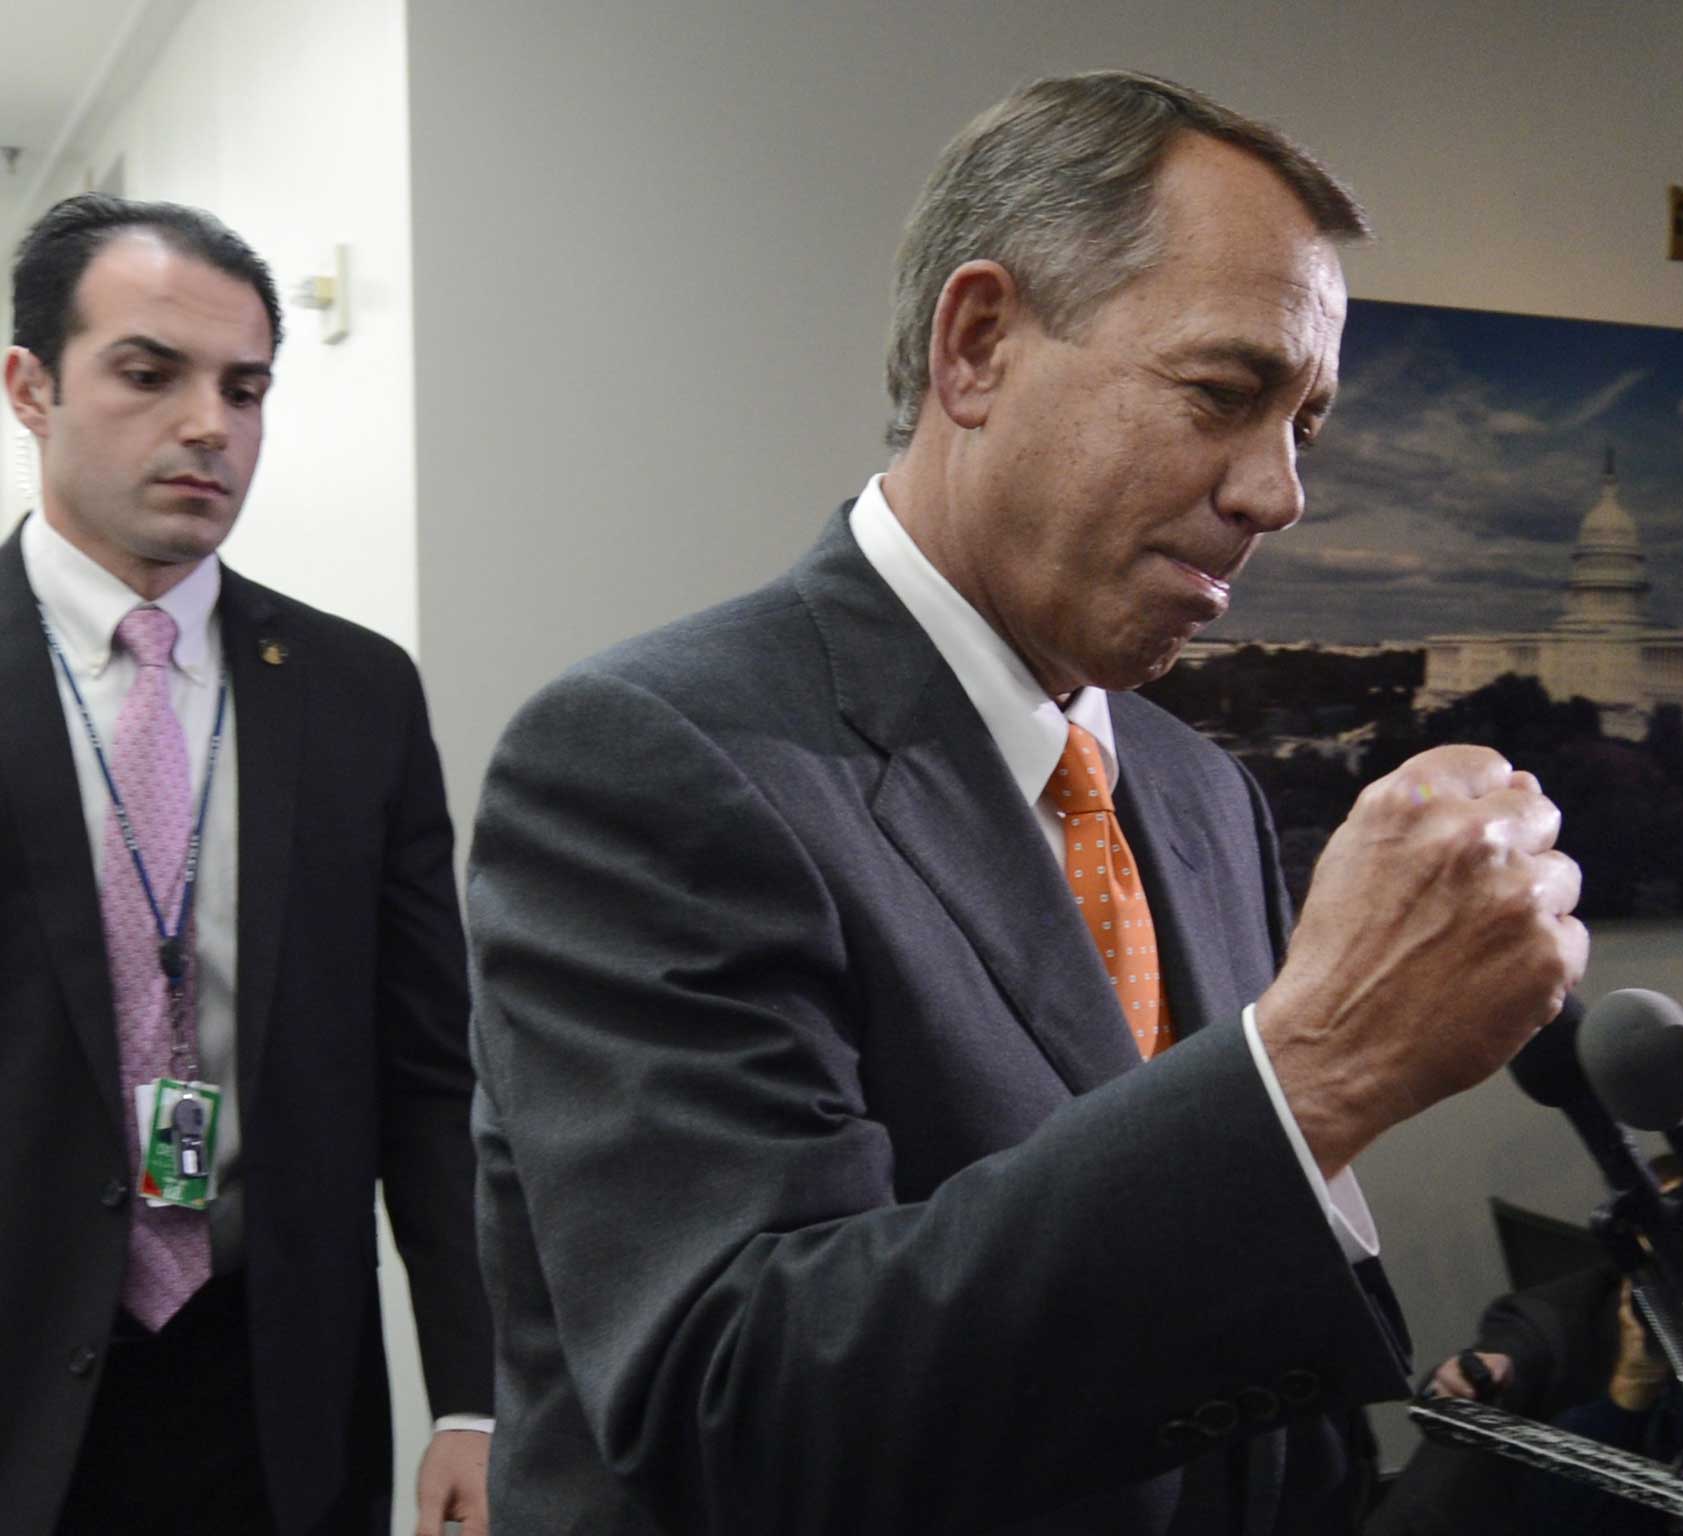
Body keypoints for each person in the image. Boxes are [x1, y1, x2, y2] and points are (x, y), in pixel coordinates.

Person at [468, 70, 1585, 1534]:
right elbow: (740, 1413)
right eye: (1224, 393)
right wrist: (1317, 1072)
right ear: (979, 345)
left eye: (1305, 421)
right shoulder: (646, 757)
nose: (1279, 491)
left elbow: (1218, 1355)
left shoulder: (1197, 794)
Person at [1, 195, 493, 1534]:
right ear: (29, 386)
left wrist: (472, 1392)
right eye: (150, 374)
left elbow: (427, 1075)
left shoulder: (354, 694)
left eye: (247, 387)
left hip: (278, 1400)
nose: (210, 424)